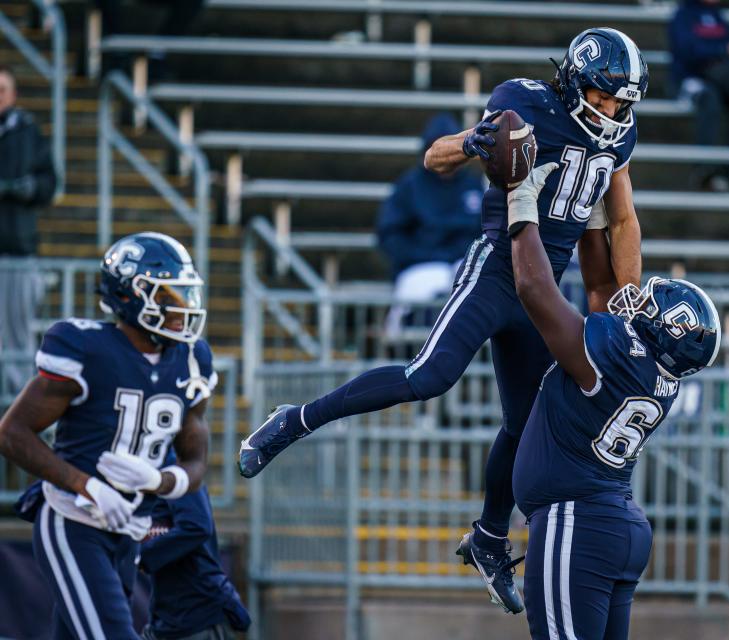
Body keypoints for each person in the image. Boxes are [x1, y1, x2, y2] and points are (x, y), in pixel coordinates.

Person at [239, 27, 649, 615]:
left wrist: (625, 295)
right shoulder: (527, 102)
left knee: (528, 420)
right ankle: (294, 420)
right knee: (427, 376)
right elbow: (436, 159)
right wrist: (475, 141)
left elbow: (624, 219)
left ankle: (488, 536)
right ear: (574, 82)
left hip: (544, 288)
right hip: (496, 269)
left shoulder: (617, 135)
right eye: (604, 97)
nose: (612, 111)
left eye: (621, 102)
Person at [504, 162, 721, 638]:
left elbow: (534, 289)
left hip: (577, 520)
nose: (638, 300)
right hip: (617, 523)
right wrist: (593, 219)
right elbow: (604, 292)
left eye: (650, 305)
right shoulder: (661, 374)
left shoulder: (617, 353)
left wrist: (520, 200)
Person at [0, 232, 215, 640]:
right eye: (167, 296)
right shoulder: (87, 349)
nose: (182, 309)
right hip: (73, 520)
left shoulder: (191, 360)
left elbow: (196, 462)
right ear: (129, 297)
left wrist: (159, 481)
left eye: (185, 295)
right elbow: (12, 433)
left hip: (130, 531)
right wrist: (87, 486)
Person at [377, 112, 484, 338]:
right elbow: (390, 234)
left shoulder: (473, 185)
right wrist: (425, 255)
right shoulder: (410, 185)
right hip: (420, 268)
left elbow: (484, 232)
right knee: (416, 297)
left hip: (463, 265)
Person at [139, 457, 251, 640]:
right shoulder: (145, 470)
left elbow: (196, 526)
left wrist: (139, 556)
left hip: (197, 617)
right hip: (167, 620)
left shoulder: (175, 466)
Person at [0, 64, 57, 396]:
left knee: (17, 337)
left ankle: (16, 408)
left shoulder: (28, 132)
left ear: (14, 95)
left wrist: (28, 188)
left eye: (2, 89)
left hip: (16, 249)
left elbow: (50, 183)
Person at [668, 0, 729, 191]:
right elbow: (687, 51)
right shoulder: (683, 14)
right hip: (690, 79)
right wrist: (726, 50)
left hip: (718, 79)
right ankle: (703, 168)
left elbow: (728, 45)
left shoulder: (718, 15)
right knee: (709, 98)